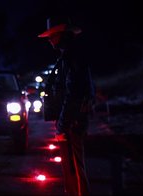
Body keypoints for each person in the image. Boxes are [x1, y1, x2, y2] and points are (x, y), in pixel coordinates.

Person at [38, 16, 95, 196]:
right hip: (72, 120)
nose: (49, 40)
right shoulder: (69, 57)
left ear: (62, 36)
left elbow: (73, 94)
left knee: (74, 168)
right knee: (72, 167)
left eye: (52, 36)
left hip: (72, 122)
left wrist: (62, 125)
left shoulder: (72, 58)